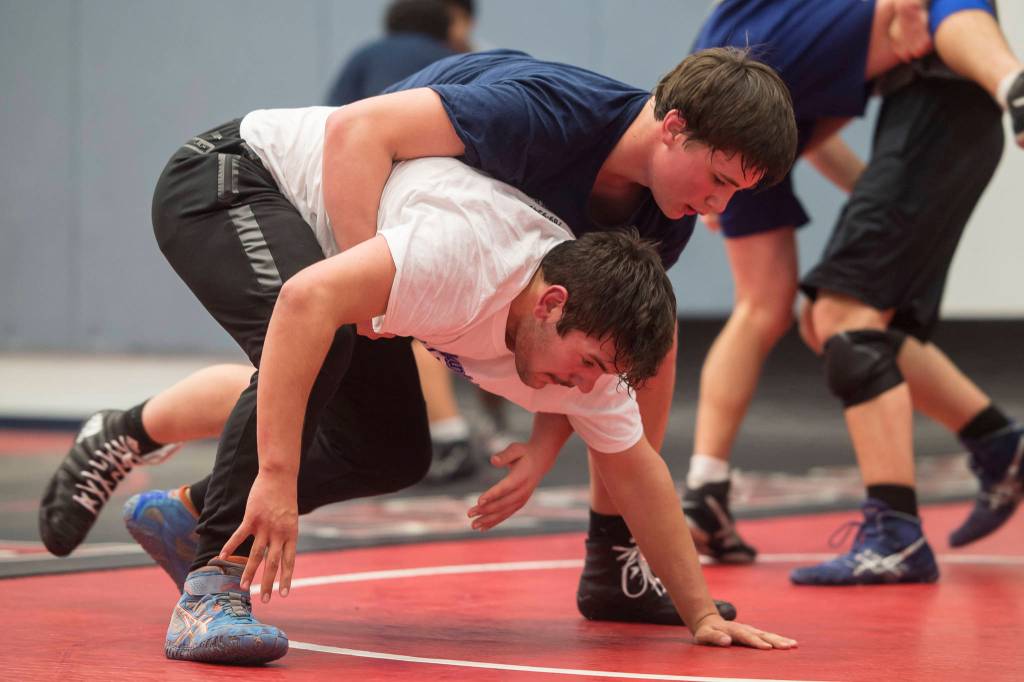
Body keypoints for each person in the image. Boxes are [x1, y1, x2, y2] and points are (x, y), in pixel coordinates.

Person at [39, 46, 797, 626]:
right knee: (324, 338)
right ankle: (211, 578)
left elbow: (592, 331)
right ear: (673, 128)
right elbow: (357, 132)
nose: (718, 208)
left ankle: (187, 497)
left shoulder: (660, 218)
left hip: (418, 243)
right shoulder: (543, 113)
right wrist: (363, 295)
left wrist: (545, 443)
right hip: (251, 179)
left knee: (392, 445)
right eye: (722, 181)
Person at [681, 0, 1023, 578]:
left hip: (940, 106)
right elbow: (804, 144)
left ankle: (896, 534)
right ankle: (998, 446)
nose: (710, 205)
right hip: (918, 120)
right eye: (712, 190)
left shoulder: (745, 59)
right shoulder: (757, 82)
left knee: (843, 319)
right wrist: (885, 202)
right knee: (823, 321)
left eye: (716, 188)